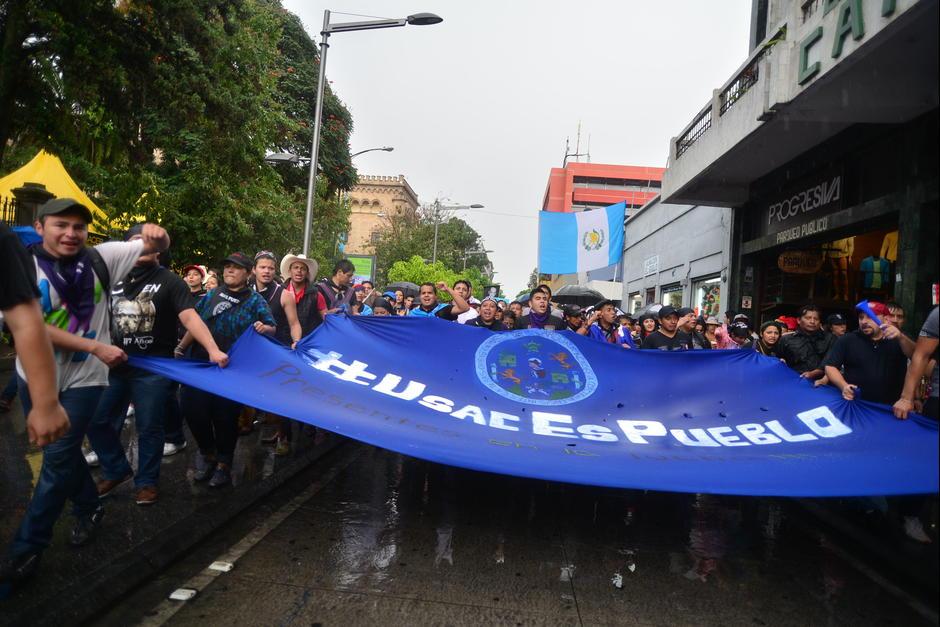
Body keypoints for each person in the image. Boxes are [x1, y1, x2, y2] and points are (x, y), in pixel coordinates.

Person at [1, 199, 168, 584]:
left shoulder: (101, 258)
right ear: (40, 226)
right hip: (33, 375)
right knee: (59, 452)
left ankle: (26, 549)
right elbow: (27, 327)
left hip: (86, 380)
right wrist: (95, 345)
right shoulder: (19, 265)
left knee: (58, 458)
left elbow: (152, 244)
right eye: (61, 225)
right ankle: (90, 505)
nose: (71, 233)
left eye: (79, 227)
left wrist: (160, 235)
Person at [86, 225, 228, 506]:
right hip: (113, 364)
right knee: (96, 419)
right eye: (134, 241)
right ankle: (116, 468)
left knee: (149, 426)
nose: (141, 246)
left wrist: (212, 349)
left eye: (147, 241)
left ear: (158, 249)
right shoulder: (109, 277)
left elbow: (189, 318)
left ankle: (147, 482)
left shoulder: (170, 282)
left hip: (153, 368)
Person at [177, 252, 276, 487]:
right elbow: (196, 324)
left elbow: (272, 326)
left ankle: (223, 463)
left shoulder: (255, 301)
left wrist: (265, 328)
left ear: (248, 272)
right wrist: (180, 348)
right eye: (227, 267)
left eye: (236, 267)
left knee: (224, 417)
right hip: (201, 363)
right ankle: (207, 453)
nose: (230, 271)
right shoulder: (211, 295)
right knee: (193, 410)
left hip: (232, 368)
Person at [253, 251, 303, 456]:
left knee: (280, 398)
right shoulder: (244, 291)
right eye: (263, 267)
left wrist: (297, 342)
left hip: (277, 350)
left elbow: (294, 323)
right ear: (254, 269)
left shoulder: (284, 294)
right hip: (251, 352)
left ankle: (284, 436)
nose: (266, 271)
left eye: (270, 268)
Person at [824, 301, 913, 405]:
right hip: (856, 403)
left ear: (886, 319)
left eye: (870, 317)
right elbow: (830, 367)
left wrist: (901, 337)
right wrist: (843, 386)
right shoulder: (847, 339)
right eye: (861, 317)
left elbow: (917, 357)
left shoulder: (899, 339)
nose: (864, 321)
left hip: (891, 407)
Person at [776, 305, 835, 380]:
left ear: (820, 322)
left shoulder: (830, 338)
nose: (812, 321)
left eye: (816, 319)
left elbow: (831, 361)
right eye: (808, 318)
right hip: (793, 381)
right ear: (798, 320)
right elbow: (777, 360)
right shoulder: (786, 339)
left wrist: (815, 373)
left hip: (822, 383)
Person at [279, 253, 322, 337]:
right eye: (296, 268)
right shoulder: (279, 292)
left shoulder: (316, 295)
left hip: (307, 342)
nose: (299, 271)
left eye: (303, 269)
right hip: (280, 342)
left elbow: (325, 317)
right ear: (289, 271)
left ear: (307, 273)